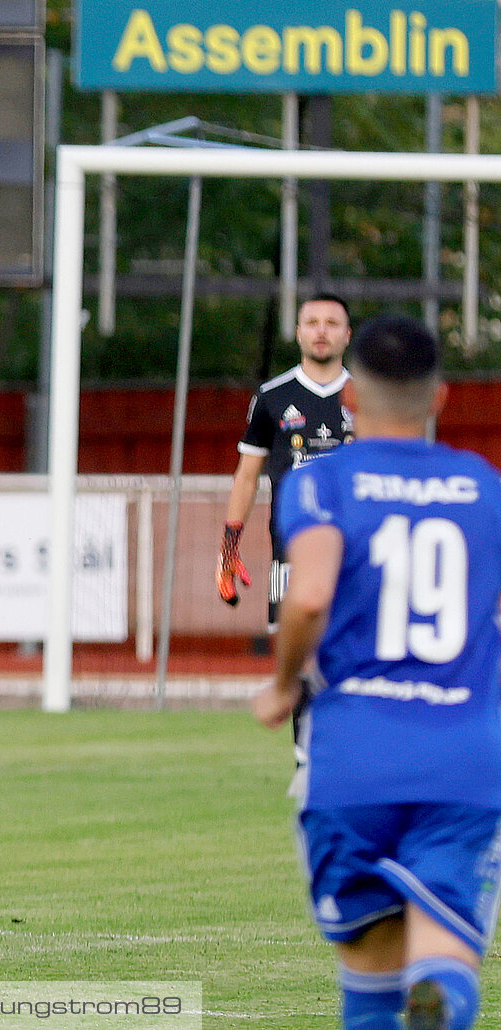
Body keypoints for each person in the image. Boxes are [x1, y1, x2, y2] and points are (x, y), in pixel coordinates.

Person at [253, 314, 501, 1030]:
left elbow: (308, 596)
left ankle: (395, 1003)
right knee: (445, 954)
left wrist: (282, 684)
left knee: (366, 985)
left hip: (356, 756)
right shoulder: (483, 488)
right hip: (462, 754)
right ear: (441, 398)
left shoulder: (325, 483)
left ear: (352, 395)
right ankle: (441, 996)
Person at [219, 293, 355, 629]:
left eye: (332, 323)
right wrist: (228, 549)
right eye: (312, 323)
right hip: (291, 553)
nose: (321, 331)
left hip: (355, 553)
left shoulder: (366, 395)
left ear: (347, 334)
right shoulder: (272, 396)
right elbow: (246, 476)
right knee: (292, 659)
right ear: (298, 332)